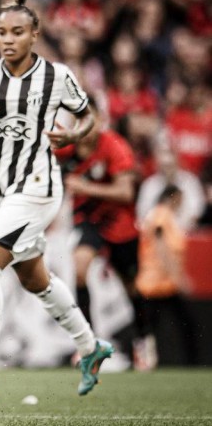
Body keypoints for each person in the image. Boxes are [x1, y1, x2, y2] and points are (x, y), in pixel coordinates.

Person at [0, 0, 112, 402]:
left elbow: (88, 116)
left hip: (38, 187)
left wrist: (71, 134)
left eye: (17, 32)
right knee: (35, 278)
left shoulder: (56, 76)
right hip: (0, 193)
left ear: (34, 34)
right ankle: (91, 347)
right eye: (2, 31)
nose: (7, 39)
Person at [56, 107, 150, 369]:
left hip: (119, 223)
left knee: (130, 283)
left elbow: (126, 193)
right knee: (79, 268)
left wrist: (85, 187)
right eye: (79, 120)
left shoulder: (115, 146)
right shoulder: (67, 147)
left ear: (99, 121)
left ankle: (143, 340)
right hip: (88, 220)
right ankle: (88, 344)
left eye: (89, 119)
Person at [135, 184, 199, 368]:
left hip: (160, 282)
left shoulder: (163, 216)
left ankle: (147, 362)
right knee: (181, 324)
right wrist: (177, 276)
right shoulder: (161, 215)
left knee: (156, 327)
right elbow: (161, 247)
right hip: (156, 282)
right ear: (173, 197)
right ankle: (189, 362)